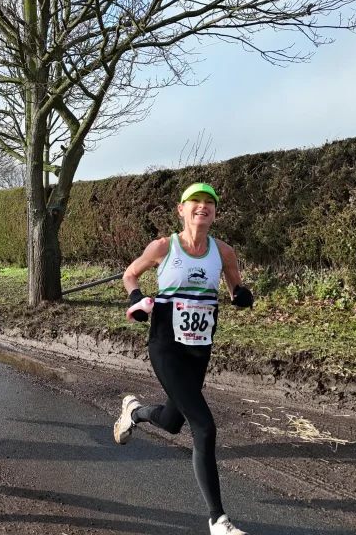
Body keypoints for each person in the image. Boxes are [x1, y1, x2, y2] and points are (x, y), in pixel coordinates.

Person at [114, 183, 254, 535]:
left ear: (215, 213)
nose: (202, 207)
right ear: (181, 210)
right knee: (204, 427)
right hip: (166, 345)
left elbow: (235, 286)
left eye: (209, 203)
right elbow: (130, 273)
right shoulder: (163, 247)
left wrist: (241, 294)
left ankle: (134, 411)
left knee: (174, 421)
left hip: (199, 348)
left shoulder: (223, 252)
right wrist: (137, 298)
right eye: (195, 202)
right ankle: (218, 520)